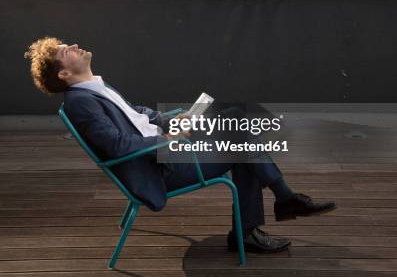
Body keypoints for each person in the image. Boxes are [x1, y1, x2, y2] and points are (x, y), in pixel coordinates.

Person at [24, 37, 336, 254]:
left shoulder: (93, 87)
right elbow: (117, 144)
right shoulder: (80, 101)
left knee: (235, 117)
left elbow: (137, 115)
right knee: (242, 139)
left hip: (165, 149)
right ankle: (279, 204)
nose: (75, 46)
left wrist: (172, 120)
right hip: (162, 165)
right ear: (64, 73)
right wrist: (166, 139)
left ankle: (264, 218)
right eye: (67, 51)